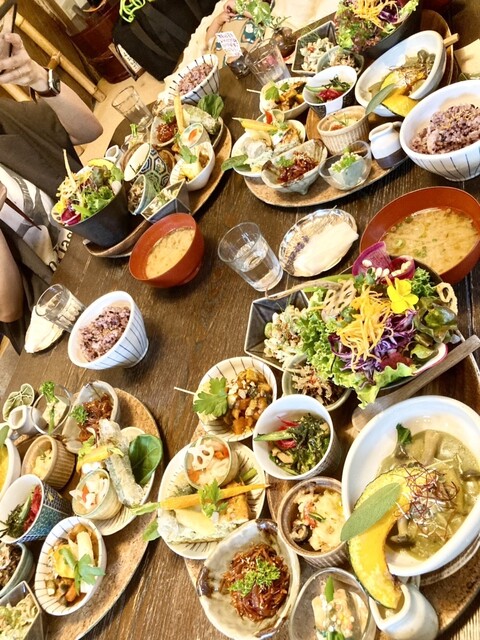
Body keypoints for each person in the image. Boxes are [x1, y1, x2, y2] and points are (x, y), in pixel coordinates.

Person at [0, 33, 103, 353]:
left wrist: (37, 76)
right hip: (56, 321)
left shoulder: (3, 119)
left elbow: (89, 129)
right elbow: (8, 309)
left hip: (96, 245)